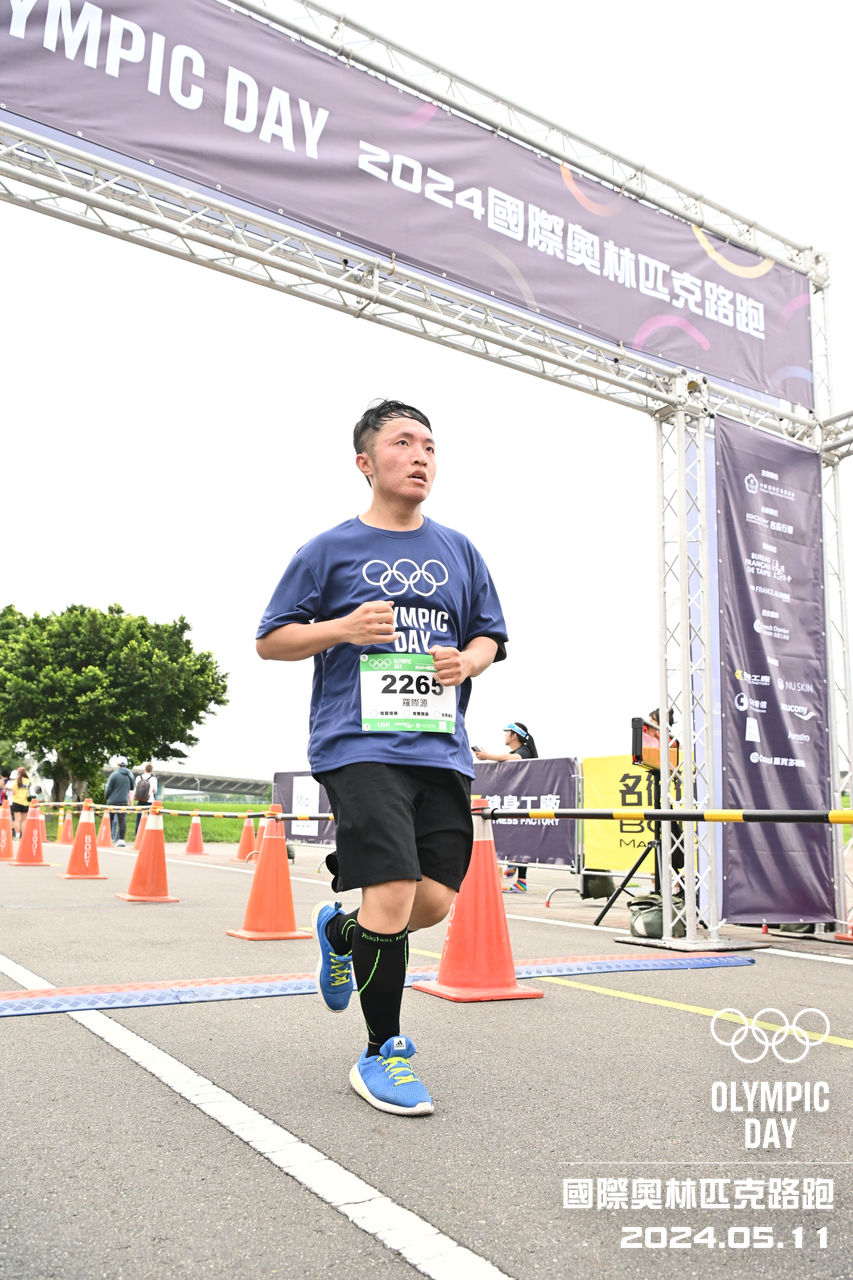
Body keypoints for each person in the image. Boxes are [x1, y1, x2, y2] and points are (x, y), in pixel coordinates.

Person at [256, 398, 507, 1117]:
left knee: (430, 902)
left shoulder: (459, 550)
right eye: (402, 442)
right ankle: (382, 1051)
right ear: (365, 462)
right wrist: (341, 627)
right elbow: (270, 640)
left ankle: (342, 931)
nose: (420, 455)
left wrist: (469, 661)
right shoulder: (327, 550)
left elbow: (490, 635)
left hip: (440, 750)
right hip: (357, 745)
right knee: (392, 888)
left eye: (429, 444)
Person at [474, 722, 539, 892]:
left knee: (521, 838)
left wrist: (488, 756)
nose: (504, 736)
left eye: (507, 733)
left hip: (523, 802)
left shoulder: (524, 751)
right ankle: (514, 865)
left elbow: (516, 758)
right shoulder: (515, 753)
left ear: (514, 736)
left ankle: (519, 875)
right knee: (515, 836)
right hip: (514, 801)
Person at [104, 756, 135, 846]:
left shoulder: (114, 774)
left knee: (110, 820)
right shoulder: (130, 775)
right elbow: (132, 788)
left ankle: (109, 838)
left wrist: (106, 797)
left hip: (112, 801)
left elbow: (108, 788)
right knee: (122, 820)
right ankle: (121, 840)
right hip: (123, 801)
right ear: (126, 764)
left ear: (118, 764)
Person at [133, 762, 158, 834]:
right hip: (149, 801)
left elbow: (136, 788)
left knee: (139, 819)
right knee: (148, 820)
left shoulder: (138, 778)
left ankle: (137, 835)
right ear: (151, 770)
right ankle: (146, 835)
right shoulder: (153, 779)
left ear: (144, 769)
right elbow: (155, 791)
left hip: (140, 800)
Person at [10, 766, 32, 838]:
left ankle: (17, 835)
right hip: (25, 802)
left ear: (18, 773)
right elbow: (30, 791)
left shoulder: (16, 781)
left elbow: (14, 792)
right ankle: (24, 836)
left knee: (17, 820)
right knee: (24, 820)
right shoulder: (28, 781)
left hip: (16, 802)